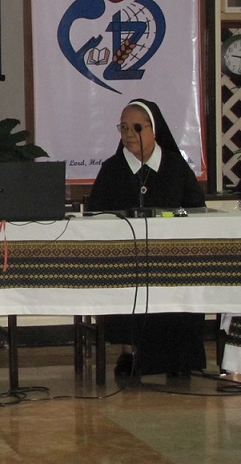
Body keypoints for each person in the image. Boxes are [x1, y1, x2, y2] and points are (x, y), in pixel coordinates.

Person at [86, 98, 206, 378]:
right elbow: (96, 214)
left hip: (172, 256)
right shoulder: (112, 169)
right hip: (126, 258)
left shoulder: (175, 167)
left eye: (136, 127)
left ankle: (178, 357)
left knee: (186, 277)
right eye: (123, 127)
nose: (129, 134)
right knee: (125, 278)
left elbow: (196, 210)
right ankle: (129, 353)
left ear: (154, 129)